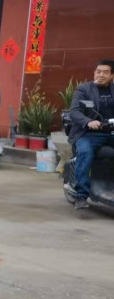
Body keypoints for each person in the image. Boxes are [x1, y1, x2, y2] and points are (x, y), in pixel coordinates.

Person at [68, 59, 114, 209]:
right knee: (86, 152)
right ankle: (81, 195)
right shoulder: (83, 90)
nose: (101, 75)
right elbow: (74, 112)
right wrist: (88, 121)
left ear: (112, 75)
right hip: (88, 133)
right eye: (98, 71)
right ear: (94, 72)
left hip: (111, 132)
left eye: (105, 72)